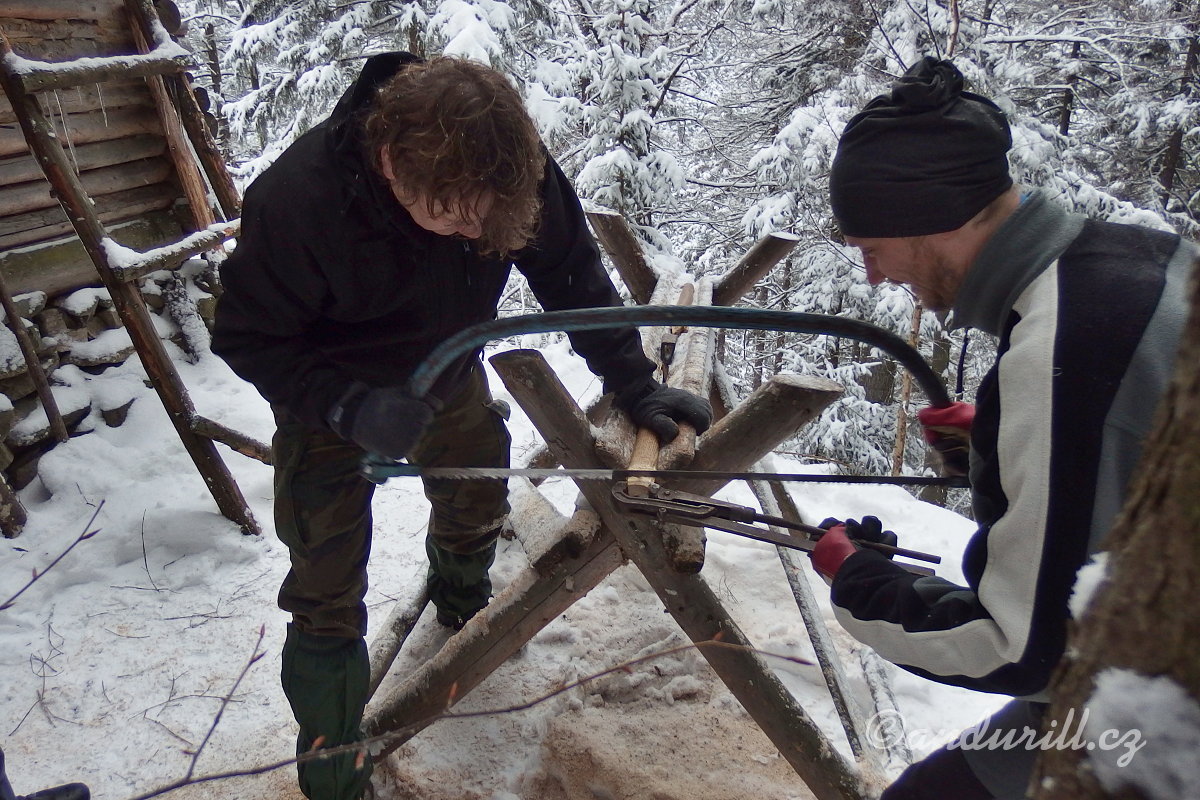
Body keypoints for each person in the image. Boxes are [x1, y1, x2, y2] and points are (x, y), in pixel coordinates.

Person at [211, 53, 711, 800]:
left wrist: (634, 383)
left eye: (489, 219)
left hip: (448, 372)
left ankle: (463, 604)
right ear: (393, 164)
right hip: (328, 397)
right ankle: (332, 769)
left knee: (478, 491)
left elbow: (571, 273)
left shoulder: (506, 172)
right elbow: (247, 336)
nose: (475, 231)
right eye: (455, 215)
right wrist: (347, 406)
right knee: (324, 586)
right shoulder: (299, 201)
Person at [814, 56, 1196, 800]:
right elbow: (1143, 448)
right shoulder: (1139, 256)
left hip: (1164, 702)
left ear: (929, 221)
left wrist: (859, 581)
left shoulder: (1060, 352)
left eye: (870, 249)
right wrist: (1001, 441)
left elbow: (1020, 646)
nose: (873, 276)